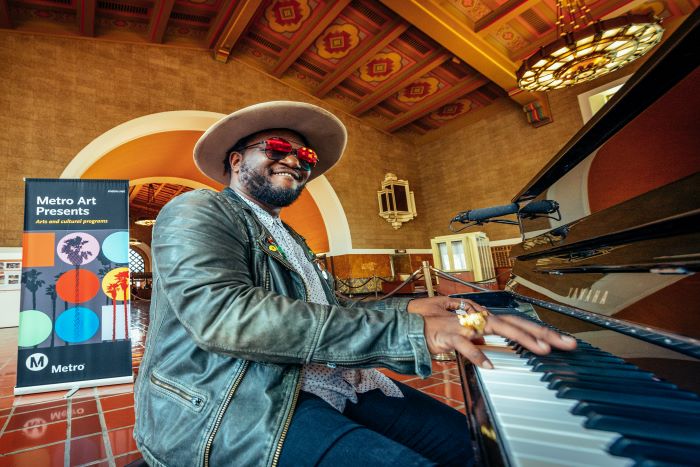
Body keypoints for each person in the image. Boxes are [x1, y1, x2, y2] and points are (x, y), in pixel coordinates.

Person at [133, 101, 576, 466]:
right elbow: (226, 316)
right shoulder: (198, 209)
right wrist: (409, 331)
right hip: (231, 405)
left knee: (471, 444)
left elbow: (328, 308)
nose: (295, 160)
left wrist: (409, 308)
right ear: (235, 160)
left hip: (326, 379)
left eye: (306, 157)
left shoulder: (289, 236)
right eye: (277, 147)